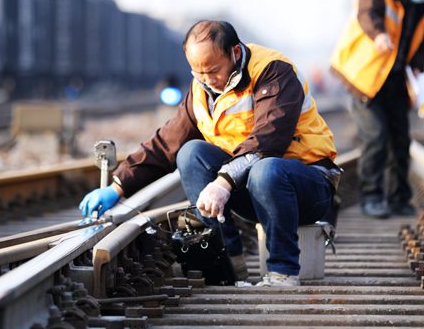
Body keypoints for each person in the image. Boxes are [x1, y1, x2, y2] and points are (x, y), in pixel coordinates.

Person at [79, 20, 339, 287]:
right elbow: (166, 143)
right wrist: (118, 186)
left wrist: (223, 182)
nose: (207, 80)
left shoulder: (272, 71)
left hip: (307, 187)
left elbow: (268, 139)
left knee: (267, 168)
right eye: (198, 72)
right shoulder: (201, 90)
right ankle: (227, 265)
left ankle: (283, 272)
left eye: (213, 70)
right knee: (191, 153)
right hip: (255, 190)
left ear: (235, 53)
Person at [330, 0, 424, 218]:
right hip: (366, 79)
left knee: (400, 139)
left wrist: (418, 67)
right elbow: (367, 14)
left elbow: (420, 40)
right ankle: (371, 196)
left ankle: (398, 198)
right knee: (376, 136)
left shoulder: (418, 5)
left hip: (395, 80)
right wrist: (379, 34)